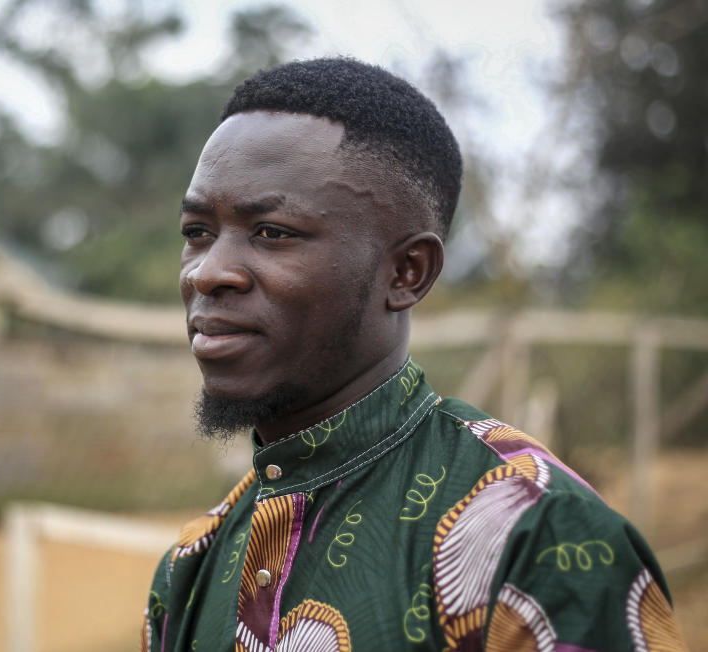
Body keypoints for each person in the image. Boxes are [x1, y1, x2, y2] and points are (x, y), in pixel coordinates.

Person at [142, 58, 686, 651]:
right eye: (197, 232)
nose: (208, 272)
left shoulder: (535, 538)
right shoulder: (189, 570)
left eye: (272, 232)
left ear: (407, 271)